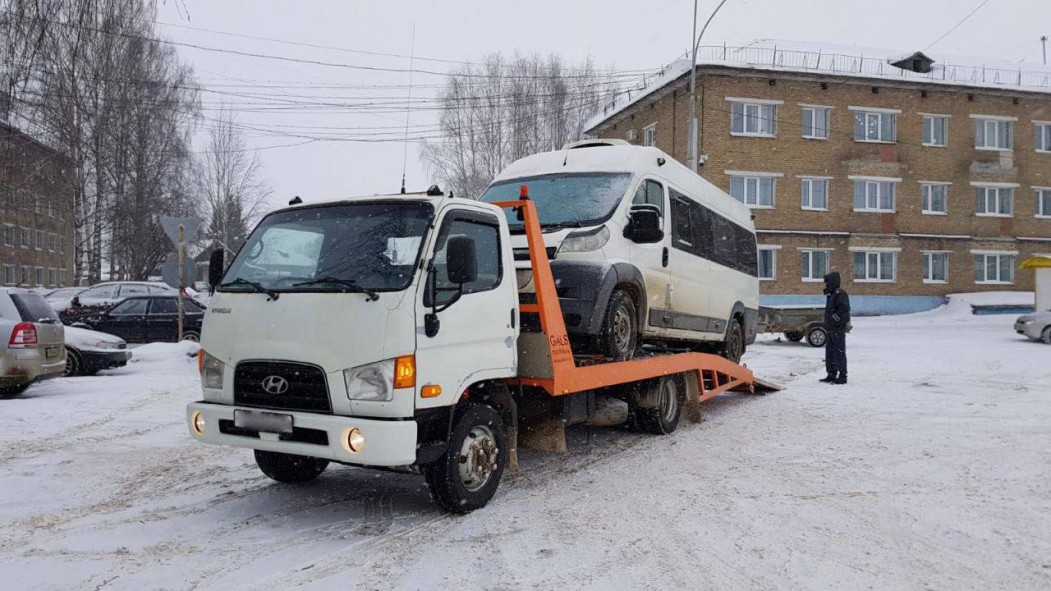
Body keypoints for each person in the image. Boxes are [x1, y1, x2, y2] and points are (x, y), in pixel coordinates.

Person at [820, 271, 850, 385]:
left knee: (839, 352)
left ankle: (842, 376)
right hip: (830, 328)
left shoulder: (840, 294)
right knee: (830, 352)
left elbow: (844, 312)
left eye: (828, 282)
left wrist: (834, 319)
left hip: (837, 329)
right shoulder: (831, 294)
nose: (826, 285)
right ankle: (831, 374)